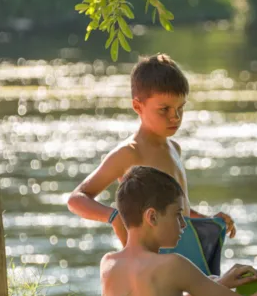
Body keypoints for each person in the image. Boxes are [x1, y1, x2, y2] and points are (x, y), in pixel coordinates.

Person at [101, 166, 257, 296]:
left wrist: (221, 284)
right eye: (177, 215)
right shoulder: (173, 265)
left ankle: (217, 284)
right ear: (152, 216)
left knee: (214, 281)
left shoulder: (108, 264)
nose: (184, 224)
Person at [68, 54, 236, 247]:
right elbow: (76, 199)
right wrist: (114, 216)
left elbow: (177, 211)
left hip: (180, 254)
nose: (175, 117)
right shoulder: (129, 153)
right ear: (138, 106)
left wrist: (209, 221)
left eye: (180, 108)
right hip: (149, 263)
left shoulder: (174, 148)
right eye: (164, 109)